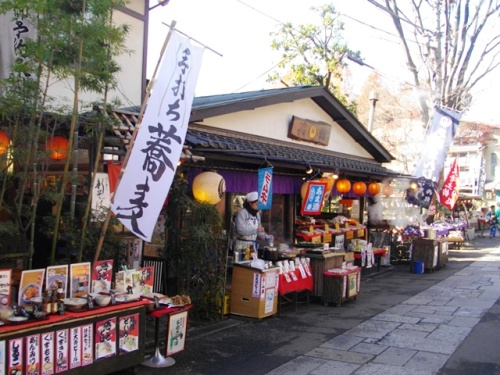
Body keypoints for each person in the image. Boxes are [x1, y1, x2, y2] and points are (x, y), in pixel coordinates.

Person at [233, 191, 273, 259]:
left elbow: (259, 229)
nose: (258, 207)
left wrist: (266, 236)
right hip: (241, 246)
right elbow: (241, 230)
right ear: (250, 203)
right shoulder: (242, 213)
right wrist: (256, 230)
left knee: (252, 266)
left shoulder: (257, 214)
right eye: (256, 204)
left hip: (252, 246)